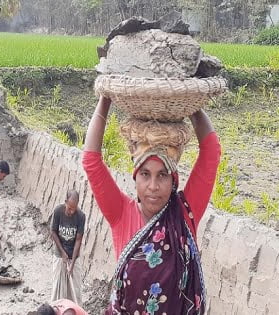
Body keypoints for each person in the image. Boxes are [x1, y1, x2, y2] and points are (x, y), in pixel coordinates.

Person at [82, 96, 221, 314]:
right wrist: (104, 100)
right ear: (135, 177)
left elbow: (211, 153)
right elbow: (91, 161)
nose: (153, 186)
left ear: (173, 180)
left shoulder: (183, 213)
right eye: (145, 175)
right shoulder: (121, 213)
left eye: (162, 175)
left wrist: (193, 102)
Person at [50, 190, 85, 305]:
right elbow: (53, 232)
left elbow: (78, 240)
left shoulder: (81, 216)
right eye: (69, 208)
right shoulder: (58, 211)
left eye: (74, 208)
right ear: (65, 202)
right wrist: (63, 253)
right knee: (58, 289)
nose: (71, 211)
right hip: (59, 255)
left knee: (75, 291)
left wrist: (72, 262)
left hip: (74, 257)